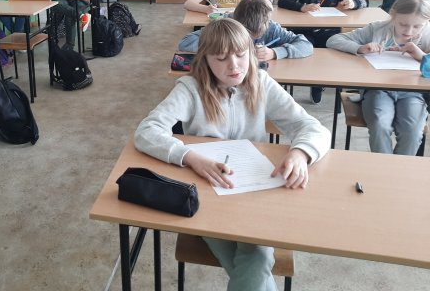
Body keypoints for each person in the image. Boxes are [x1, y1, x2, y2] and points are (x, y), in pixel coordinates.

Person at [135, 18, 330, 291]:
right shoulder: (190, 88)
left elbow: (313, 127)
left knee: (257, 256)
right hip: (207, 194)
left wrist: (300, 153)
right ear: (205, 59)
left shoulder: (261, 82)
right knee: (259, 258)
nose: (234, 65)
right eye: (221, 58)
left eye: (241, 55)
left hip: (255, 194)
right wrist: (189, 156)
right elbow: (146, 131)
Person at [327, 0, 430, 155]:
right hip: (378, 90)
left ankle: (397, 169)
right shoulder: (377, 29)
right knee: (380, 124)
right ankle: (384, 166)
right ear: (393, 15)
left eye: (417, 26)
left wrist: (422, 56)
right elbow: (333, 40)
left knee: (412, 131)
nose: (409, 31)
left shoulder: (428, 34)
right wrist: (360, 48)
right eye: (403, 24)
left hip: (412, 93)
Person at [278, 0, 366, 103]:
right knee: (304, 51)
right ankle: (302, 81)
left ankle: (318, 85)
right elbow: (284, 1)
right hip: (305, 31)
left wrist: (353, 3)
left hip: (329, 32)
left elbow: (363, 1)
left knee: (331, 54)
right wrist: (302, 7)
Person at [178, 0, 314, 63]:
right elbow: (186, 42)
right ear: (235, 22)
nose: (250, 40)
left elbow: (305, 44)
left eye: (255, 37)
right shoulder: (225, 24)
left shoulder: (271, 28)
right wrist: (224, 47)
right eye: (246, 35)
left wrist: (275, 52)